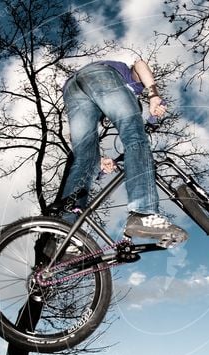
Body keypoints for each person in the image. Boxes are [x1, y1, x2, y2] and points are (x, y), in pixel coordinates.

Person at [59, 56, 187, 246]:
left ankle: (64, 235)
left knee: (84, 160)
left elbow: (75, 137)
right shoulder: (130, 82)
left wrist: (99, 159)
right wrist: (153, 95)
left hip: (71, 88)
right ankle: (143, 213)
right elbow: (140, 64)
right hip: (99, 74)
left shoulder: (102, 103)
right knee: (135, 137)